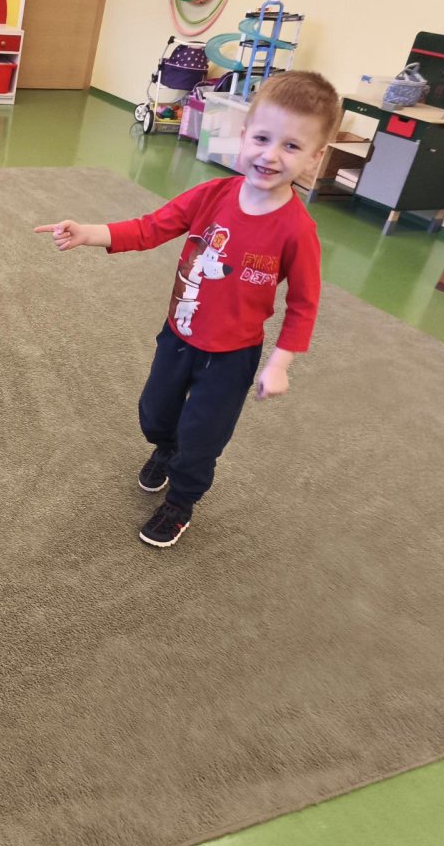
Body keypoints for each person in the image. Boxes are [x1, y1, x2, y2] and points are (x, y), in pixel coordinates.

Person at [34, 70, 339, 547]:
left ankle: (181, 502)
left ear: (315, 157)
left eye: (292, 146)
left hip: (232, 355)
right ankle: (165, 446)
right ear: (244, 134)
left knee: (203, 438)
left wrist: (280, 363)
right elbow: (151, 227)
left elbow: (304, 303)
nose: (270, 155)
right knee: (155, 414)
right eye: (262, 138)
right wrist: (90, 233)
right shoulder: (212, 196)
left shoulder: (297, 231)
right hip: (178, 334)